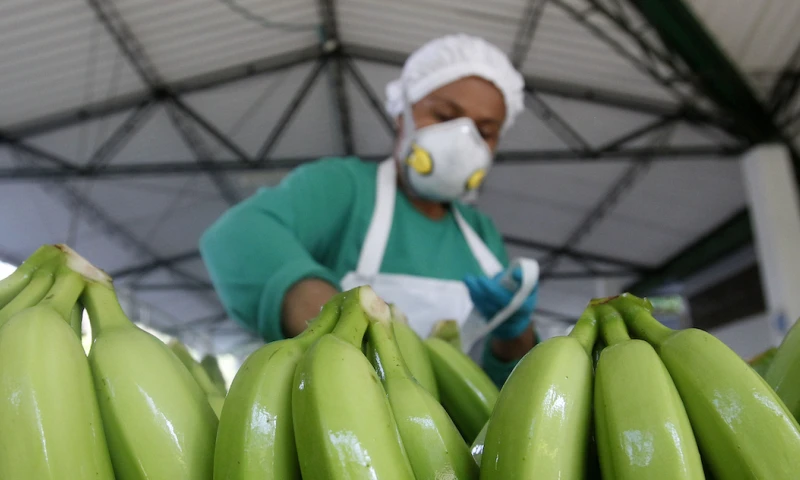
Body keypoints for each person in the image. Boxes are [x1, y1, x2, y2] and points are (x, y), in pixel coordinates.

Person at [199, 34, 539, 386]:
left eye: (484, 131)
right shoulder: (346, 188)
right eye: (443, 115)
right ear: (402, 115)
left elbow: (508, 388)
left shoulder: (482, 235)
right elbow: (237, 236)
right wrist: (339, 329)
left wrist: (514, 331)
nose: (463, 140)